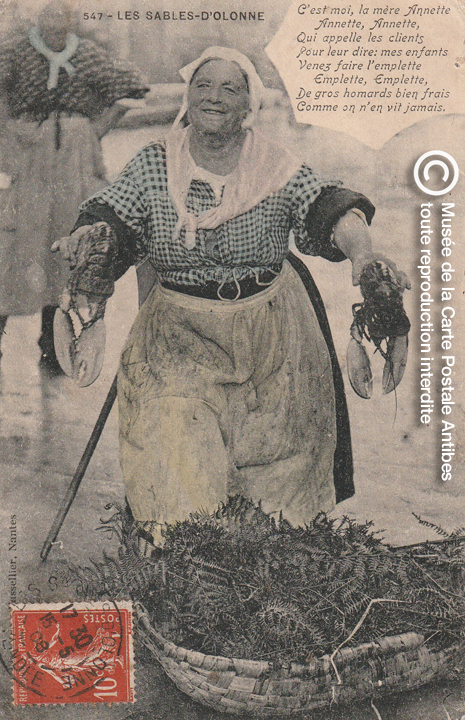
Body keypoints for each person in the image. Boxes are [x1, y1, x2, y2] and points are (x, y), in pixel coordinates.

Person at [53, 47, 409, 546]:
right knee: (178, 464)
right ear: (188, 98)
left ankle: (261, 587)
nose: (213, 97)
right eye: (203, 85)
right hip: (177, 336)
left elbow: (327, 208)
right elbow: (112, 215)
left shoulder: (275, 165)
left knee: (276, 487)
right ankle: (182, 576)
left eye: (229, 88)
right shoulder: (155, 163)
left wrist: (364, 257)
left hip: (273, 336)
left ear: (249, 107)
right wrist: (89, 240)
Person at [0, 0, 148, 370]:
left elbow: (133, 88)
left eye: (61, 19)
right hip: (29, 152)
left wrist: (96, 128)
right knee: (17, 245)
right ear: (38, 20)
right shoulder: (17, 53)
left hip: (75, 160)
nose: (54, 27)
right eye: (47, 18)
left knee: (66, 241)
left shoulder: (87, 55)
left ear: (71, 22)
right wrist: (8, 137)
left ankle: (52, 344)